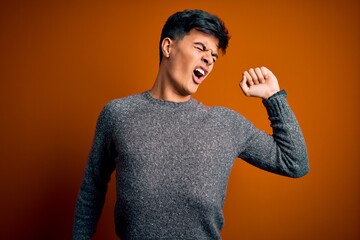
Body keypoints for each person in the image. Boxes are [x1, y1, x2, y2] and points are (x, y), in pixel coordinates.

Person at [73, 9, 309, 240]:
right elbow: (92, 188)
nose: (208, 58)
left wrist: (273, 97)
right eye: (200, 48)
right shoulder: (118, 114)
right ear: (168, 47)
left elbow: (295, 163)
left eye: (214, 56)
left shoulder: (225, 124)